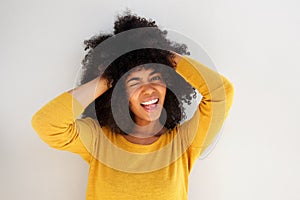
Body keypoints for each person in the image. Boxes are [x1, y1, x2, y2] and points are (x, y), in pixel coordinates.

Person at [32, 11, 234, 200]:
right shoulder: (99, 141)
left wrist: (167, 58)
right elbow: (47, 124)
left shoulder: (183, 143)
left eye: (156, 77)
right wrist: (109, 78)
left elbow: (221, 93)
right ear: (120, 94)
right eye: (134, 82)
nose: (149, 89)